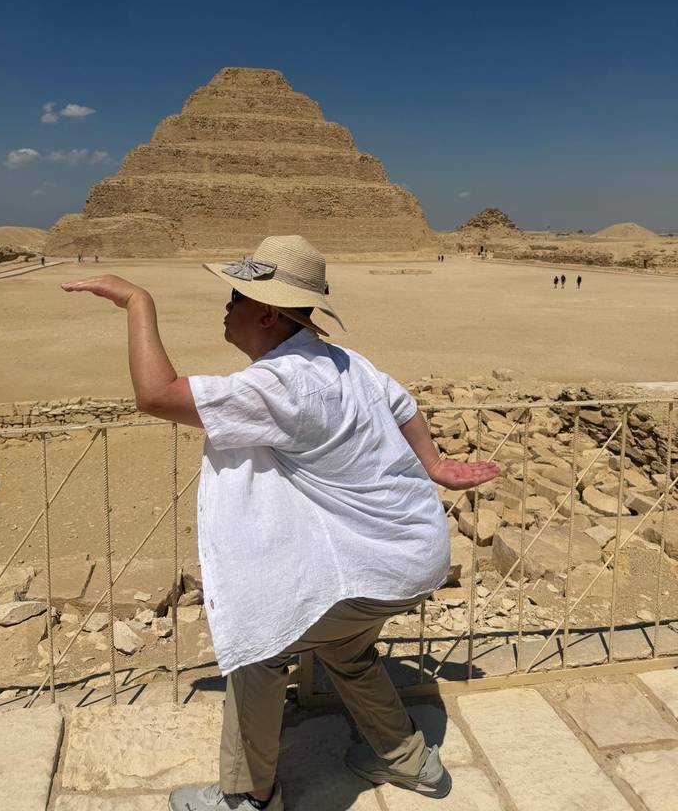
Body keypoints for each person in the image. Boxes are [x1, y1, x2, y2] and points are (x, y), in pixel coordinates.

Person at [61, 235, 499, 811]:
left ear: (266, 311)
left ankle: (248, 795)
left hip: (380, 565)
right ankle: (409, 761)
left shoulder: (283, 383)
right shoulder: (343, 361)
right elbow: (405, 406)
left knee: (258, 649)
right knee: (346, 650)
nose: (225, 307)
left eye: (235, 296)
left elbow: (156, 395)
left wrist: (138, 303)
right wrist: (435, 464)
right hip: (412, 552)